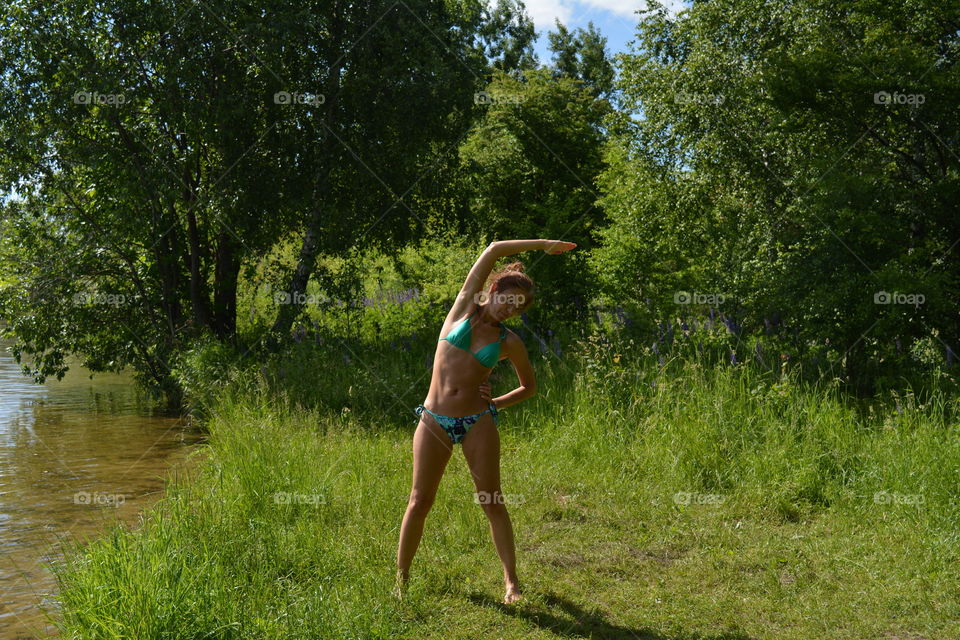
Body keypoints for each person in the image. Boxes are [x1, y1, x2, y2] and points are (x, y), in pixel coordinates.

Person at [395, 239, 577, 605]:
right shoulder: (462, 309)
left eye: (519, 308)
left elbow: (529, 387)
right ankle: (401, 581)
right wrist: (543, 244)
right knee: (419, 500)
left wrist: (494, 401)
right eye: (508, 300)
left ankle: (511, 583)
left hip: (477, 421)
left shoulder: (510, 342)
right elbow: (493, 250)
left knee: (492, 500)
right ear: (493, 290)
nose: (511, 310)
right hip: (434, 420)